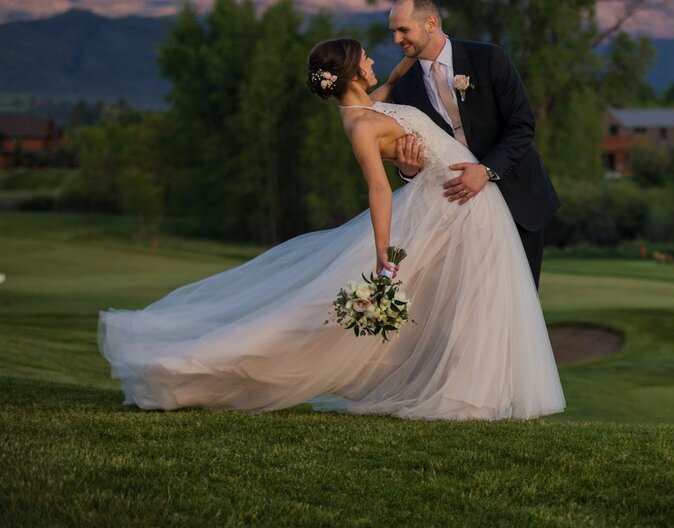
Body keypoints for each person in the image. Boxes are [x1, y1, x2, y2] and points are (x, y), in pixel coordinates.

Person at [98, 39, 565, 420]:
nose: (374, 60)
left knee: (479, 300)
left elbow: (396, 86)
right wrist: (384, 254)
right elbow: (379, 190)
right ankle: (186, 369)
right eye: (366, 58)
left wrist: (413, 53)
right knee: (319, 312)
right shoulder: (359, 123)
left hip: (469, 205)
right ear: (353, 73)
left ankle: (480, 391)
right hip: (449, 208)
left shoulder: (373, 104)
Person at [386, 0, 560, 289]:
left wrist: (486, 170)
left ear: (431, 23)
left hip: (517, 199)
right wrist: (408, 170)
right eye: (393, 32)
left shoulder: (489, 59)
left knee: (521, 301)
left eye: (404, 30)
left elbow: (522, 125)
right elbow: (414, 160)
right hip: (458, 213)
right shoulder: (405, 87)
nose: (397, 40)